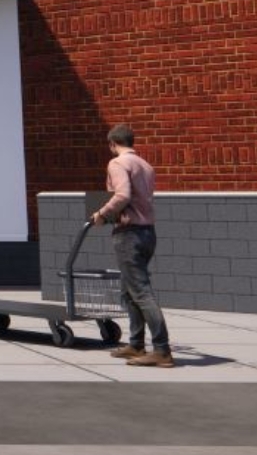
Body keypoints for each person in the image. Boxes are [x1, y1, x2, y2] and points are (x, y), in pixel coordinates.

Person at [92, 124, 174, 368]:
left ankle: (162, 350)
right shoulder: (145, 165)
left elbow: (122, 195)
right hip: (147, 233)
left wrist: (101, 214)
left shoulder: (117, 163)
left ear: (112, 143)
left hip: (129, 234)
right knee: (128, 292)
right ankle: (136, 344)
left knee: (141, 292)